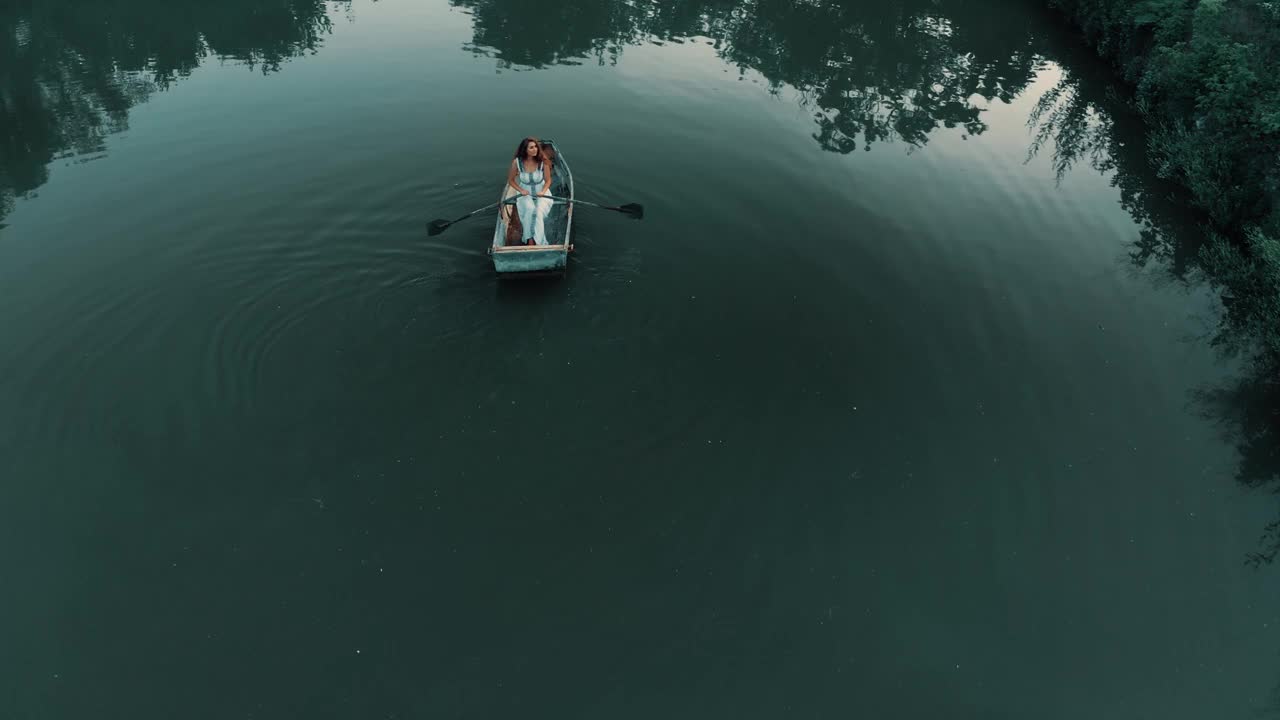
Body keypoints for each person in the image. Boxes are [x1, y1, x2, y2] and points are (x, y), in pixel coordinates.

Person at [506, 137, 553, 246]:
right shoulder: (517, 162)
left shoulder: (543, 161)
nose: (535, 149)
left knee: (538, 212)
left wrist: (543, 191)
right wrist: (521, 190)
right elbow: (511, 180)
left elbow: (548, 180)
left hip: (541, 192)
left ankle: (538, 241)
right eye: (531, 147)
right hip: (524, 193)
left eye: (536, 146)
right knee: (530, 209)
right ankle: (530, 240)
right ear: (525, 150)